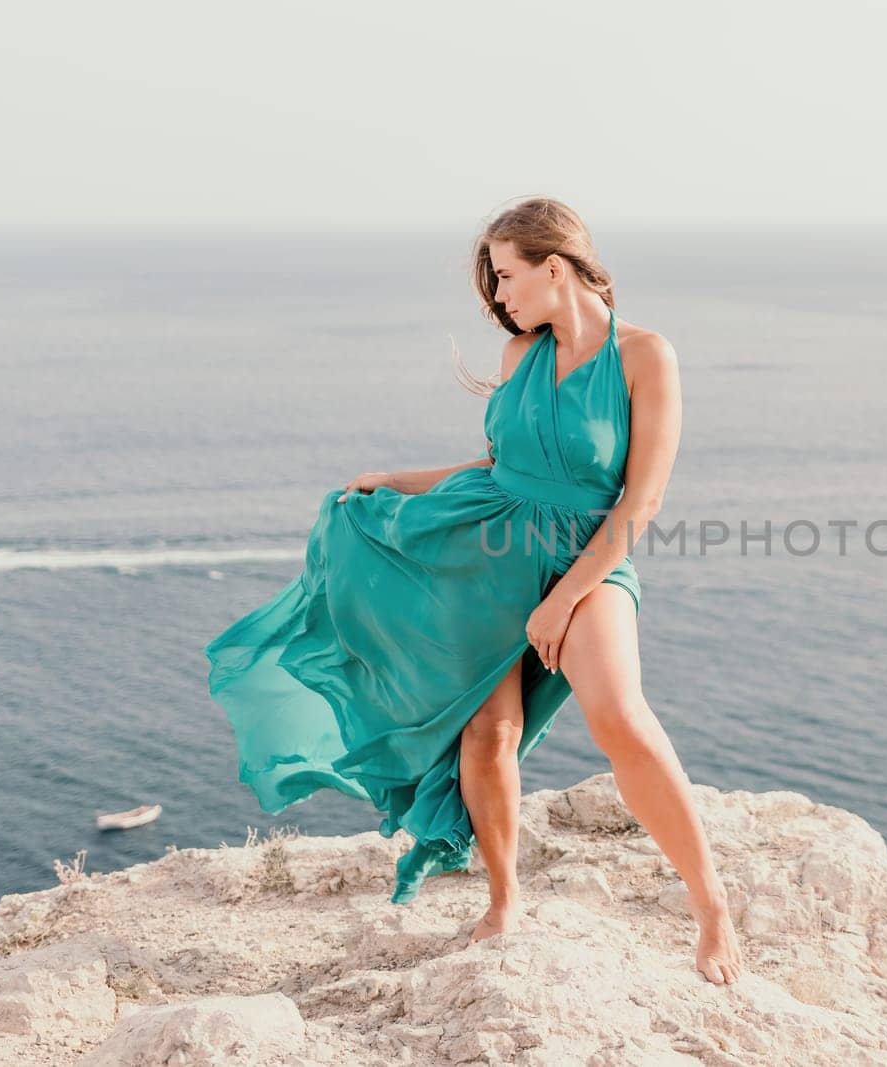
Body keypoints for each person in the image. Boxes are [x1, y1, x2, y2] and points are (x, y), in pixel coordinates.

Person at [204, 197, 743, 984]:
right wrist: (396, 479)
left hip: (589, 558)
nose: (499, 296)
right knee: (484, 736)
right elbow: (495, 468)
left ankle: (712, 906)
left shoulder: (645, 356)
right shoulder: (522, 354)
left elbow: (642, 502)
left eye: (506, 276)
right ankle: (503, 899)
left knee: (620, 715)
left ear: (554, 267)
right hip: (489, 550)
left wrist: (563, 599)